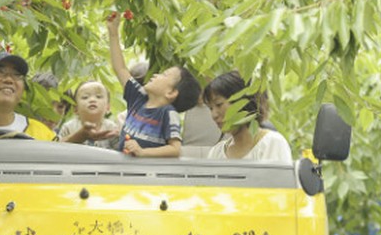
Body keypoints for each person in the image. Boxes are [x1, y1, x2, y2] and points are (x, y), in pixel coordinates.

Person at [106, 14, 201, 157]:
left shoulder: (168, 113)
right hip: (124, 172)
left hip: (147, 176)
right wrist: (113, 34)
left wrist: (142, 152)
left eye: (164, 75)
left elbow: (175, 149)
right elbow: (120, 69)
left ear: (171, 93)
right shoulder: (138, 98)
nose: (156, 75)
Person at [203, 71, 292, 163]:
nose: (214, 115)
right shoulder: (216, 153)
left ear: (241, 102)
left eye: (219, 104)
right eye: (210, 108)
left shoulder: (272, 144)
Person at [58, 80, 119, 149]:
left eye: (98, 96)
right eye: (85, 97)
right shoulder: (68, 127)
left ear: (108, 107)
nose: (92, 100)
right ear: (75, 109)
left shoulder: (111, 127)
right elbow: (58, 148)